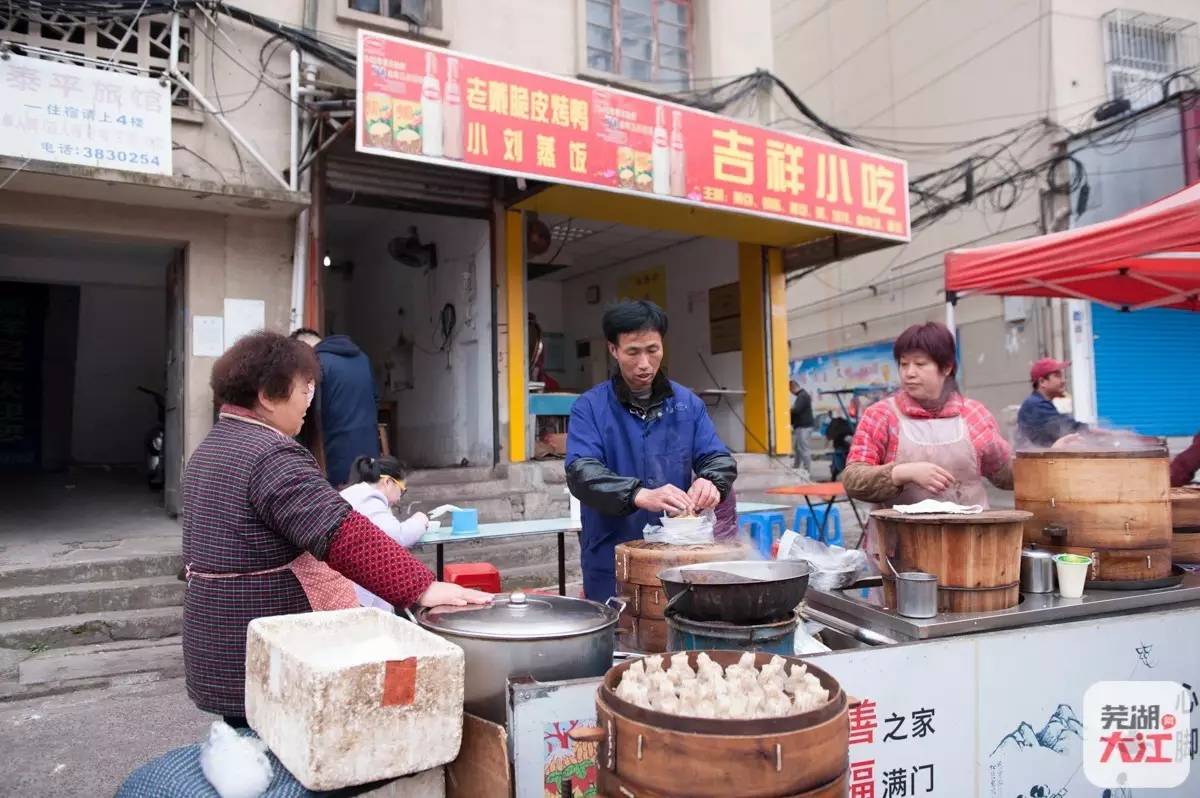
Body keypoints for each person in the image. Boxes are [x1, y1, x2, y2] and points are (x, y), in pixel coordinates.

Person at [182, 331, 489, 725]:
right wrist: (422, 587)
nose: (309, 403)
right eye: (302, 389)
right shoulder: (270, 454)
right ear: (266, 396)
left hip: (215, 640)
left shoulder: (212, 448)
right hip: (263, 647)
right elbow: (342, 533)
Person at [566, 300, 738, 601]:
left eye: (653, 350)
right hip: (611, 552)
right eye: (633, 352)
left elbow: (717, 456)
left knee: (678, 633)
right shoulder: (590, 407)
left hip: (679, 552)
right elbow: (582, 472)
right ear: (613, 350)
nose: (644, 363)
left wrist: (711, 479)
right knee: (618, 636)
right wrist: (638, 494)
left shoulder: (687, 404)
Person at [840, 322, 1013, 556]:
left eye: (920, 364)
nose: (909, 372)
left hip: (971, 547)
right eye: (903, 364)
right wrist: (903, 472)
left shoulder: (974, 415)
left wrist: (1047, 457)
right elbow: (853, 480)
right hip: (900, 552)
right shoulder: (881, 416)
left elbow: (1004, 474)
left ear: (947, 368)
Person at [340, 455, 432, 610]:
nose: (399, 499)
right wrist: (420, 520)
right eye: (402, 490)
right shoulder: (369, 498)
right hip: (356, 590)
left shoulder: (355, 493)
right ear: (388, 482)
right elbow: (397, 536)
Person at [293, 328, 381, 487]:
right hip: (369, 447)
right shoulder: (362, 358)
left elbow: (310, 410)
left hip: (334, 453)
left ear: (304, 346)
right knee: (369, 500)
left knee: (342, 505)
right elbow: (375, 399)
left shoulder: (317, 363)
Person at [1017, 358, 1087, 448]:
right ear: (1042, 382)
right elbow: (1071, 428)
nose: (1063, 381)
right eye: (1057, 376)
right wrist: (1100, 433)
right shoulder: (1036, 405)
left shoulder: (1036, 402)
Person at [789, 380, 814, 474]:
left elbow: (797, 410)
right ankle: (796, 467)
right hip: (800, 426)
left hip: (804, 426)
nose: (790, 393)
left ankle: (807, 470)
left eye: (790, 390)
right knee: (797, 448)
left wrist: (790, 409)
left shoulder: (803, 396)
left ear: (792, 387)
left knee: (803, 448)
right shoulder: (801, 396)